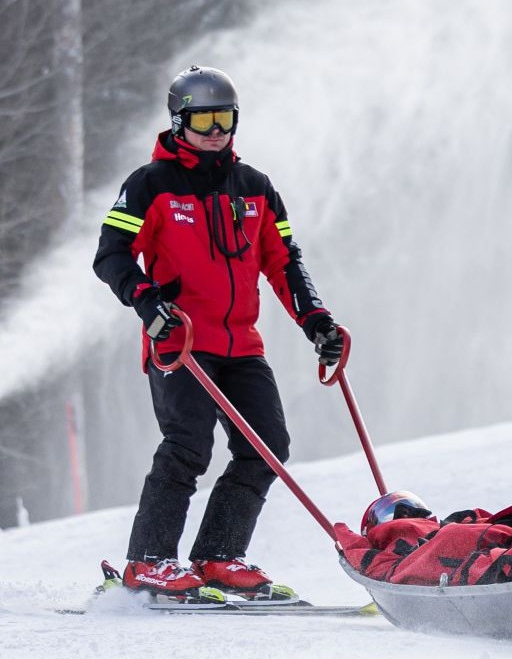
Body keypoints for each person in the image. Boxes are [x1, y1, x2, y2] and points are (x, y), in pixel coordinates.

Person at [93, 65, 344, 602]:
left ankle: (218, 556)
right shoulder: (151, 185)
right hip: (180, 342)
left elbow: (284, 261)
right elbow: (111, 255)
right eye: (204, 120)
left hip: (240, 344)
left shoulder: (255, 187)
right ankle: (149, 562)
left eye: (225, 119)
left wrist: (316, 320)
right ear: (178, 122)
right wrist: (146, 300)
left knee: (267, 446)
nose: (215, 131)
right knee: (188, 444)